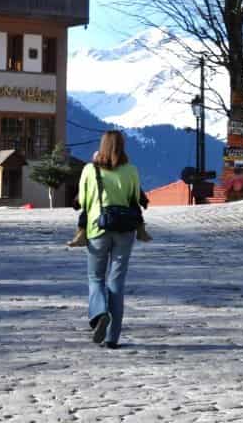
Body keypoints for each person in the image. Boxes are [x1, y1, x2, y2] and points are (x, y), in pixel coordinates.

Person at [77, 130, 143, 348]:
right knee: (116, 282)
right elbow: (135, 199)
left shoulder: (90, 169)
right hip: (125, 230)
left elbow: (83, 201)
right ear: (122, 146)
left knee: (95, 277)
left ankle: (99, 312)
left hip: (98, 228)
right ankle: (113, 337)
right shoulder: (131, 170)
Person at [68, 151, 152, 247]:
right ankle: (141, 230)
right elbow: (137, 191)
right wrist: (143, 201)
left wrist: (77, 202)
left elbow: (83, 192)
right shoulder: (125, 171)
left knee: (134, 206)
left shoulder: (96, 171)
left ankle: (141, 230)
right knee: (134, 206)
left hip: (107, 206)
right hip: (107, 205)